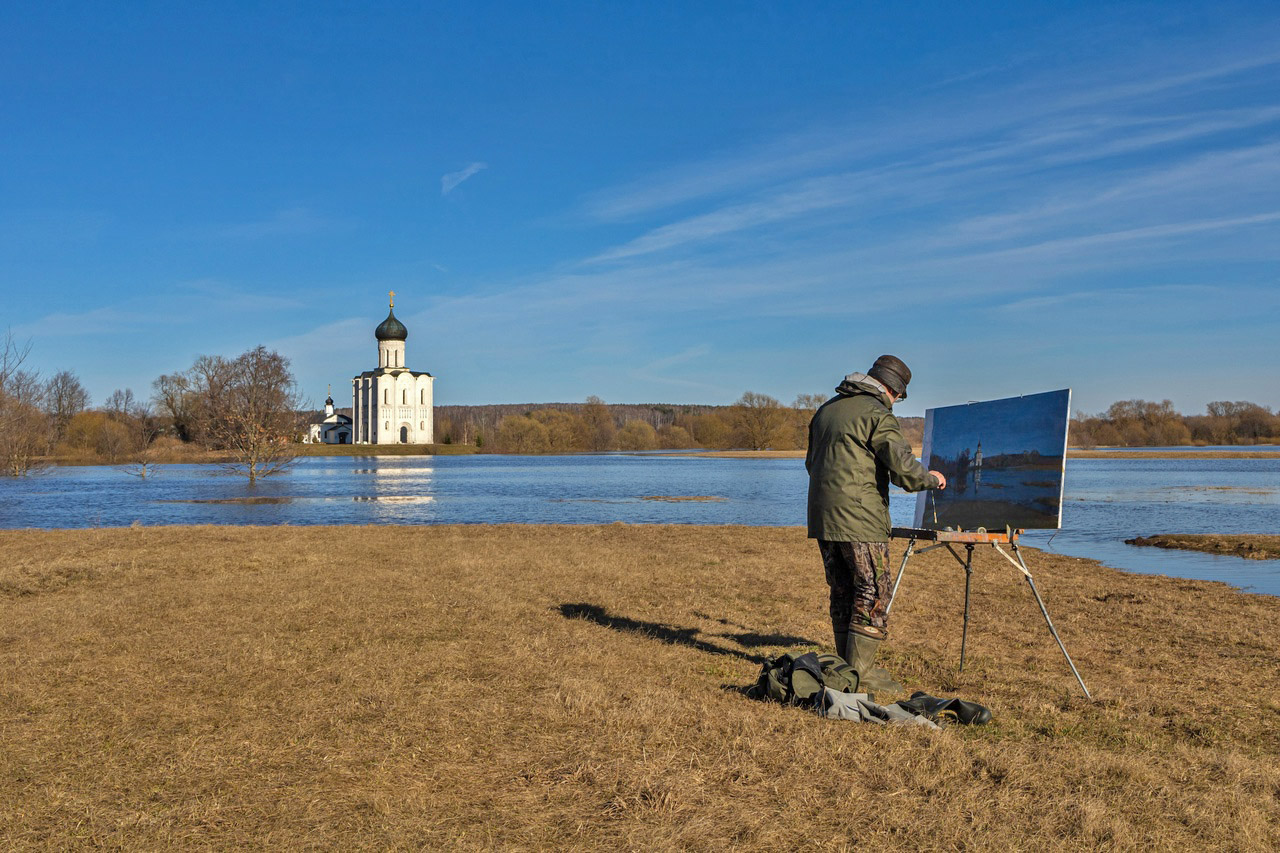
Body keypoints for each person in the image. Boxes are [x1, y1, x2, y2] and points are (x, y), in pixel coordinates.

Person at [805, 355, 946, 693]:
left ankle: (843, 670)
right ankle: (860, 675)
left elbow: (812, 463)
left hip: (823, 517)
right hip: (860, 519)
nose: (895, 403)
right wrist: (931, 478)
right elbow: (903, 472)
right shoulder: (877, 414)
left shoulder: (826, 410)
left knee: (842, 588)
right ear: (892, 390)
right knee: (872, 591)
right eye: (898, 397)